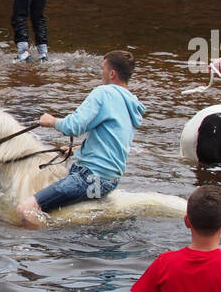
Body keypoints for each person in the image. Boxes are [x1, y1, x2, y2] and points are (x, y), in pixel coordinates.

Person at [17, 50, 143, 228]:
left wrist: (51, 121)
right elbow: (112, 138)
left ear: (112, 73)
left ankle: (43, 247)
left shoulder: (104, 93)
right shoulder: (130, 102)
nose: (101, 72)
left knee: (25, 209)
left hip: (89, 178)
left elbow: (74, 126)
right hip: (109, 181)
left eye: (102, 68)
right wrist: (78, 149)